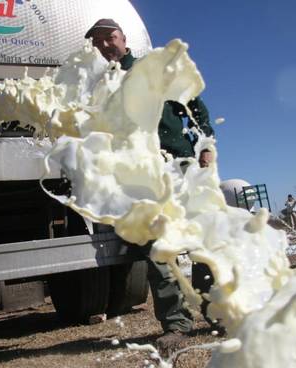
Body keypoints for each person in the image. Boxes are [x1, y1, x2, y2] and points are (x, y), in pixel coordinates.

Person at [85, 19, 216, 350]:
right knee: (158, 249)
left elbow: (192, 101)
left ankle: (219, 312)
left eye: (108, 37)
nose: (103, 44)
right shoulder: (101, 85)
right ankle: (176, 324)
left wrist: (205, 143)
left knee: (202, 239)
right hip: (141, 177)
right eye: (97, 41)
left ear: (123, 38)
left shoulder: (151, 68)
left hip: (178, 164)